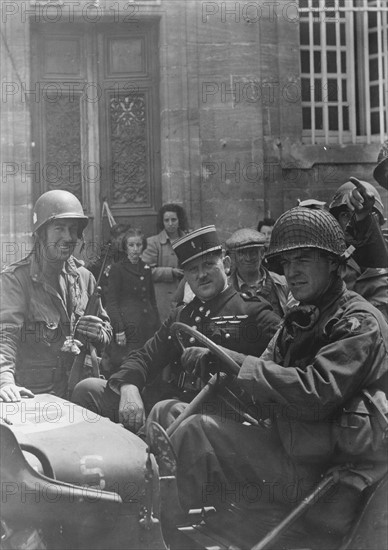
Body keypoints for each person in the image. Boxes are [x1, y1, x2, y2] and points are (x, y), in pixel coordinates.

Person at [166, 207, 388, 548]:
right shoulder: (299, 318)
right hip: (291, 449)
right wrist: (219, 363)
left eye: (303, 260)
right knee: (177, 415)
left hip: (330, 469)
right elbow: (262, 376)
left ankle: (166, 533)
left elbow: (317, 390)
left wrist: (240, 364)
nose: (292, 272)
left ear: (332, 262)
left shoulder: (358, 322)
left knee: (195, 432)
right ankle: (181, 526)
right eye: (285, 263)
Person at [73, 225, 281, 433]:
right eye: (192, 269)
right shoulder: (183, 316)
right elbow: (145, 357)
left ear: (226, 264)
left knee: (165, 411)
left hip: (225, 414)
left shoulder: (252, 311)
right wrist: (129, 386)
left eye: (208, 265)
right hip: (176, 404)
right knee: (88, 390)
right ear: (186, 276)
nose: (201, 275)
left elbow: (283, 367)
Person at [0, 190, 112, 402]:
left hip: (79, 391)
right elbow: (4, 336)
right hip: (37, 395)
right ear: (41, 234)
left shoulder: (85, 277)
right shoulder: (16, 280)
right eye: (59, 228)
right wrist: (4, 381)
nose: (68, 237)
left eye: (73, 230)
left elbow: (106, 329)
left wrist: (100, 333)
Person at [328, 179, 388, 321]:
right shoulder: (327, 261)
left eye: (364, 215)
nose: (353, 221)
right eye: (345, 215)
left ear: (377, 220)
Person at [104, 228, 160, 369]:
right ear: (125, 247)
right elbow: (112, 303)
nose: (135, 249)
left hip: (147, 326)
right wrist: (119, 330)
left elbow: (151, 300)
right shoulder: (117, 269)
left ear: (143, 246)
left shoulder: (146, 268)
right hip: (128, 329)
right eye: (131, 245)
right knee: (130, 365)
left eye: (139, 245)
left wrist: (158, 327)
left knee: (149, 364)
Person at [225, 228, 290, 317]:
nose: (248, 258)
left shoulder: (282, 284)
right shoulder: (226, 288)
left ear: (262, 253)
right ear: (234, 257)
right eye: (242, 253)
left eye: (253, 252)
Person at [142, 203, 189, 321]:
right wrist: (171, 272)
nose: (170, 224)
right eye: (166, 220)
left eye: (174, 220)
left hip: (187, 292)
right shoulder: (153, 242)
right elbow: (146, 271)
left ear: (180, 220)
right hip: (162, 297)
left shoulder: (188, 239)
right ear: (162, 222)